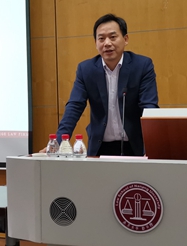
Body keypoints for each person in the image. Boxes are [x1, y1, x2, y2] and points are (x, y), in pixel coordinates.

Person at [55, 13, 159, 156]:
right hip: (100, 147)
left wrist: (153, 148)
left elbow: (149, 107)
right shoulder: (86, 70)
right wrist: (58, 143)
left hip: (135, 146)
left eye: (113, 37)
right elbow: (74, 106)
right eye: (101, 38)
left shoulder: (142, 66)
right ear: (96, 43)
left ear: (125, 39)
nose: (107, 43)